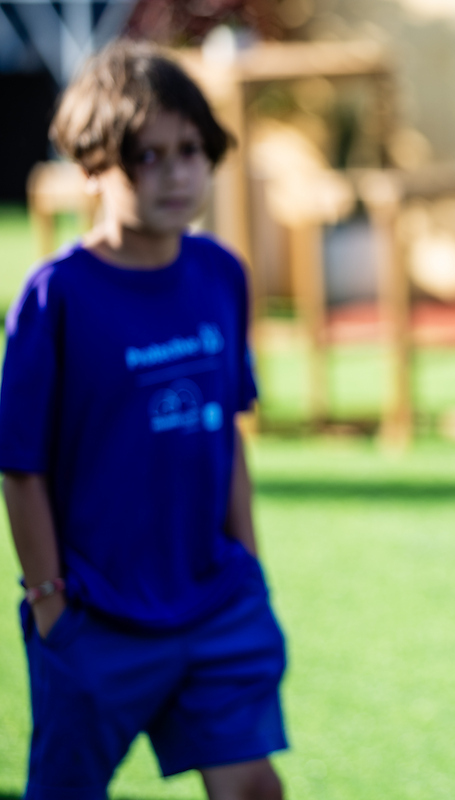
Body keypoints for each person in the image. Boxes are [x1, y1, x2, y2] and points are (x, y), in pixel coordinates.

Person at [0, 40, 287, 800]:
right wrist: (49, 601)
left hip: (216, 604)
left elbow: (225, 433)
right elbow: (19, 463)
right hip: (96, 615)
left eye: (189, 150)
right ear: (93, 167)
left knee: (254, 788)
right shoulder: (54, 296)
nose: (175, 173)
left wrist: (248, 570)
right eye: (145, 157)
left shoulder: (221, 274)